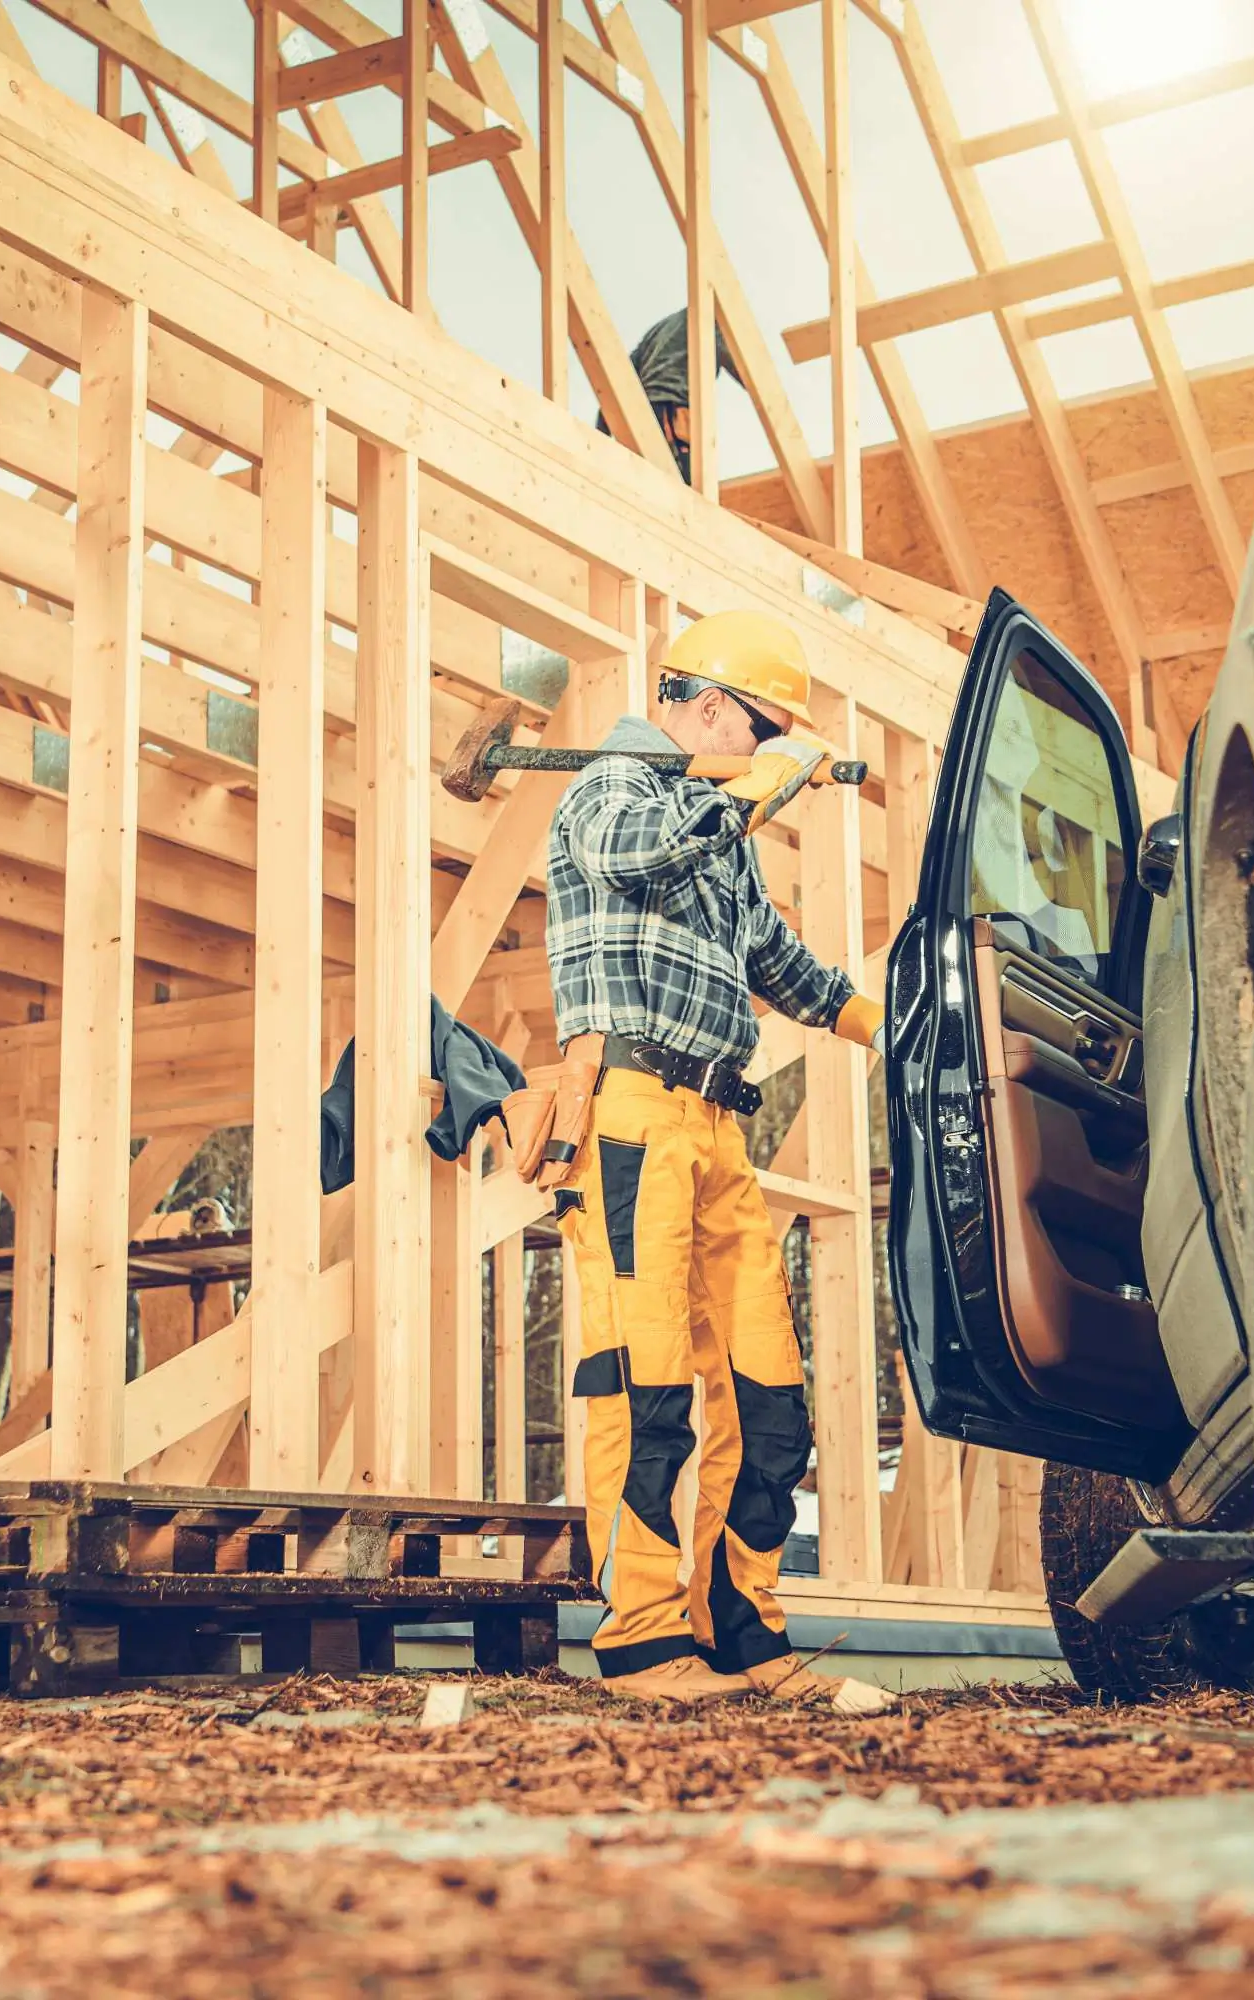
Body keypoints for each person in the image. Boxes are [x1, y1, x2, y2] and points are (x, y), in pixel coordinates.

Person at [528, 608, 893, 1713]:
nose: (765, 749)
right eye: (762, 730)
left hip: (721, 1130)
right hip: (633, 1111)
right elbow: (642, 850)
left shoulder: (720, 837)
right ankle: (639, 1641)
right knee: (645, 1388)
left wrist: (901, 1023)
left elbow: (793, 973)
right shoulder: (614, 791)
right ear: (714, 709)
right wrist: (765, 784)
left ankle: (739, 1627)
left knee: (769, 1394)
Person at [599, 309, 743, 486]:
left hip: (641, 413)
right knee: (686, 486)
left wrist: (600, 435)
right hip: (672, 408)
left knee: (647, 481)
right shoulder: (709, 320)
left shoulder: (660, 329)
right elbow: (744, 371)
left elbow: (622, 374)